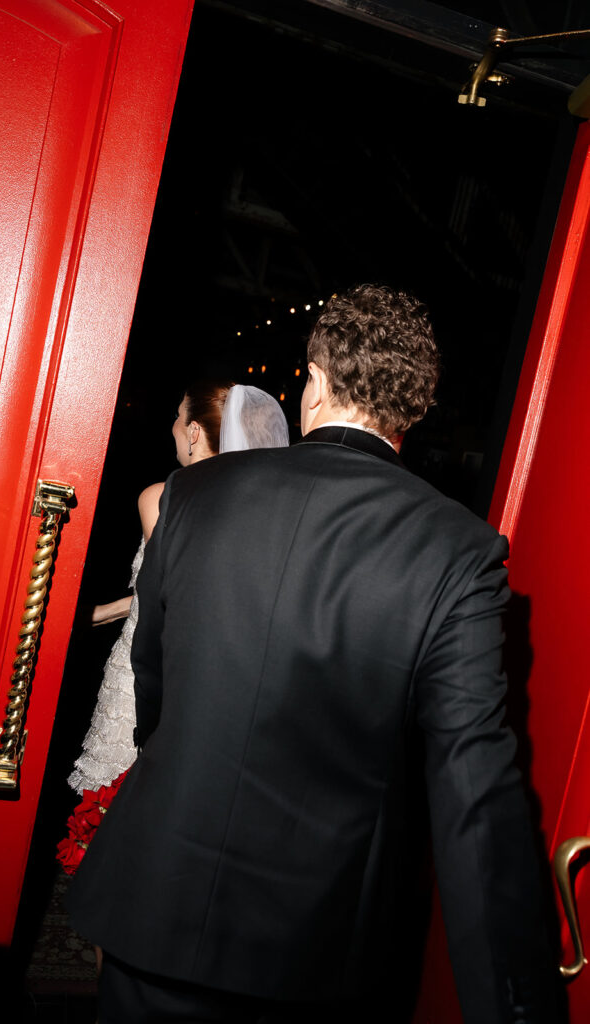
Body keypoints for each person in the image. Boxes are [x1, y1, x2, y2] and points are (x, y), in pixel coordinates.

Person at [67, 284, 562, 1023]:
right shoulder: (459, 550)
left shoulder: (192, 495)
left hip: (157, 892)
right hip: (310, 941)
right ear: (413, 411)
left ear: (317, 382)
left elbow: (153, 679)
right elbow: (475, 796)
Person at [67, 380, 291, 795]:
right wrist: (102, 612)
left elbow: (165, 594)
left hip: (147, 669)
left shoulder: (160, 498)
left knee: (114, 795)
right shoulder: (252, 509)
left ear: (193, 432)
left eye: (177, 415)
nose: (172, 425)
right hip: (208, 678)